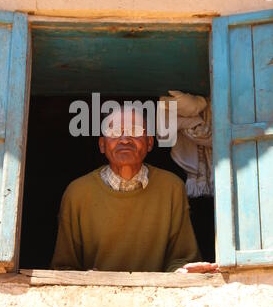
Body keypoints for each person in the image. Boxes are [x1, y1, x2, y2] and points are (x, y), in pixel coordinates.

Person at [51, 106, 218, 273]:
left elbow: (181, 259)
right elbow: (64, 267)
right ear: (102, 145)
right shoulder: (78, 193)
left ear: (149, 143)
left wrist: (181, 272)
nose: (125, 139)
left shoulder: (171, 187)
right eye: (115, 132)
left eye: (136, 130)